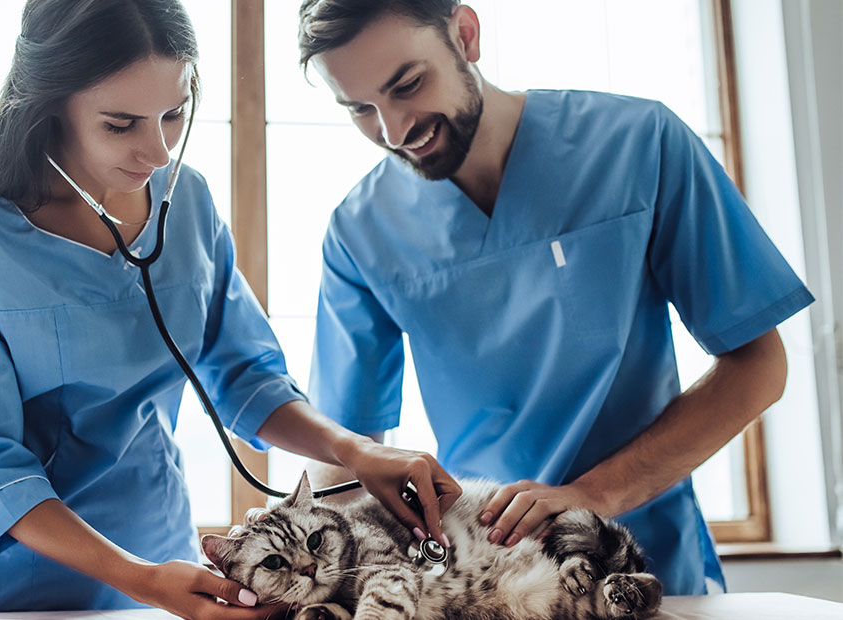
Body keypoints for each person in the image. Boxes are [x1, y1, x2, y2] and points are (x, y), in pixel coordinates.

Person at [0, 0, 461, 615]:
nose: (156, 152)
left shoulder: (189, 202)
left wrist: (353, 450)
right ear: (50, 104)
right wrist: (137, 578)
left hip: (161, 553)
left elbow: (246, 377)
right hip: (14, 578)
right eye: (121, 125)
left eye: (173, 115)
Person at [297, 0, 813, 596]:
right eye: (359, 108)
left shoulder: (639, 145)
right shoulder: (361, 230)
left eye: (408, 85)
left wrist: (592, 498)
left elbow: (758, 367)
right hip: (488, 579)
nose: (393, 130)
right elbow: (345, 457)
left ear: (465, 36)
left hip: (644, 563)